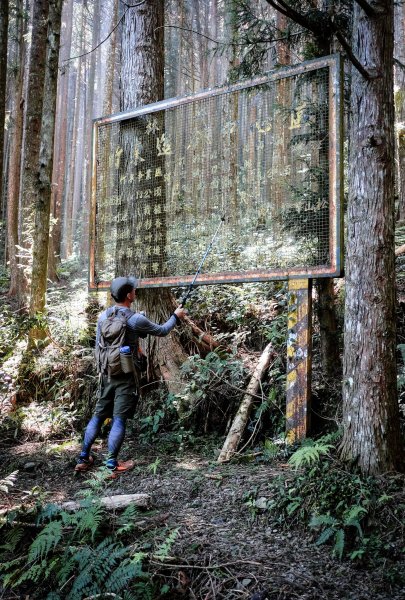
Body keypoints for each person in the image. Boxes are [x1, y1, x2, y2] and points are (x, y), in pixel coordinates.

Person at [75, 276, 186, 473]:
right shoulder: (135, 319)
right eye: (134, 289)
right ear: (128, 295)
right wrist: (176, 316)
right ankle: (112, 464)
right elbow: (162, 331)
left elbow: (99, 346)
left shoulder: (103, 317)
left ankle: (83, 458)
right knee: (119, 418)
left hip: (107, 374)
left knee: (99, 416)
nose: (135, 291)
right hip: (126, 376)